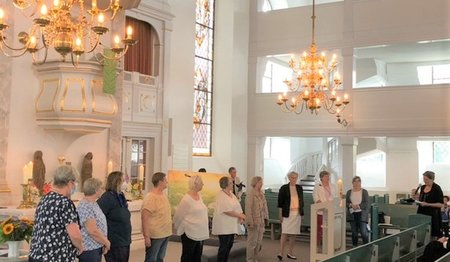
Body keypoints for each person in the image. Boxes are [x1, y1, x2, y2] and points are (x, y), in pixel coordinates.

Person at [29, 165, 83, 262]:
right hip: (56, 257)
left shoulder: (45, 198)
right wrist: (80, 246)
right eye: (75, 182)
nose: (75, 185)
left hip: (37, 255)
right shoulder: (64, 202)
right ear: (70, 183)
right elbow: (74, 235)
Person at [173, 175, 209, 262]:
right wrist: (177, 227)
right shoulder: (187, 199)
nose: (203, 184)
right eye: (201, 182)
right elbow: (178, 216)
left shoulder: (199, 196)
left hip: (199, 232)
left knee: (197, 257)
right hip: (189, 232)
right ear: (195, 184)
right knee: (188, 257)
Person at [97, 171, 132, 262]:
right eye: (123, 180)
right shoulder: (107, 198)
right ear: (116, 182)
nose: (125, 183)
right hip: (115, 240)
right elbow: (98, 217)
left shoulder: (120, 195)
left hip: (124, 238)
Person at [212, 176, 246, 262]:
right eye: (231, 182)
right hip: (224, 227)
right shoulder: (221, 195)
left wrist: (241, 216)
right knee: (224, 247)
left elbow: (237, 206)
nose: (233, 184)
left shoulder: (231, 194)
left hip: (231, 226)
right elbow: (226, 210)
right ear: (226, 185)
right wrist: (240, 215)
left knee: (229, 245)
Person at [77, 178, 110, 262]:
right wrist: (106, 242)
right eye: (101, 188)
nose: (102, 190)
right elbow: (92, 231)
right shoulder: (85, 205)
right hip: (89, 250)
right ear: (96, 190)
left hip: (96, 246)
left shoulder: (93, 203)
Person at [142, 172, 172, 262]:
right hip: (155, 235)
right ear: (160, 182)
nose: (167, 182)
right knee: (151, 259)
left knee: (160, 258)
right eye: (165, 180)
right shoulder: (150, 197)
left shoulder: (163, 195)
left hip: (165, 233)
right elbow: (144, 218)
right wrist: (146, 236)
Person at [277, 171, 304, 261]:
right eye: (292, 178)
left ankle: (290, 252)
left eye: (295, 178)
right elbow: (280, 203)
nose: (294, 179)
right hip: (287, 213)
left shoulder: (299, 188)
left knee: (293, 234)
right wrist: (280, 215)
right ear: (289, 178)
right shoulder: (284, 188)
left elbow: (301, 201)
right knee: (284, 233)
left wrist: (302, 213)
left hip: (297, 214)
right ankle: (280, 253)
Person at [413, 171, 444, 238]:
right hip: (422, 212)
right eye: (424, 179)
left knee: (432, 234)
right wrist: (417, 199)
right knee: (421, 233)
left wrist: (428, 204)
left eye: (426, 179)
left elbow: (441, 204)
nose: (424, 181)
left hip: (432, 215)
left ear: (432, 179)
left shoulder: (437, 188)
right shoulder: (423, 187)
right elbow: (422, 200)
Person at [245, 176, 268, 262]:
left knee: (258, 242)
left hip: (261, 221)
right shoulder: (250, 194)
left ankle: (255, 258)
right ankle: (250, 259)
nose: (261, 184)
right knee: (252, 242)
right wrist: (250, 221)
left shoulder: (261, 193)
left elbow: (265, 207)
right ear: (255, 183)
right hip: (253, 221)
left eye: (262, 182)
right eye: (260, 182)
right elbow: (248, 209)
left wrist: (266, 218)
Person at [313, 170, 338, 246]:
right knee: (320, 228)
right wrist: (319, 202)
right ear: (322, 177)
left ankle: (329, 243)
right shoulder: (318, 186)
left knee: (330, 228)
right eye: (326, 176)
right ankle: (317, 243)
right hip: (321, 210)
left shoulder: (333, 186)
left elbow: (336, 196)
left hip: (330, 209)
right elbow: (315, 196)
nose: (328, 178)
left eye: (328, 176)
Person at [345, 176, 370, 247]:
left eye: (358, 181)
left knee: (363, 232)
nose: (356, 183)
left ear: (360, 182)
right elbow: (346, 203)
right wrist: (351, 205)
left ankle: (366, 247)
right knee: (354, 232)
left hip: (362, 214)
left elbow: (367, 203)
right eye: (355, 181)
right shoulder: (349, 192)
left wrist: (358, 206)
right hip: (352, 214)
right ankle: (354, 247)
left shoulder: (364, 192)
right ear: (352, 183)